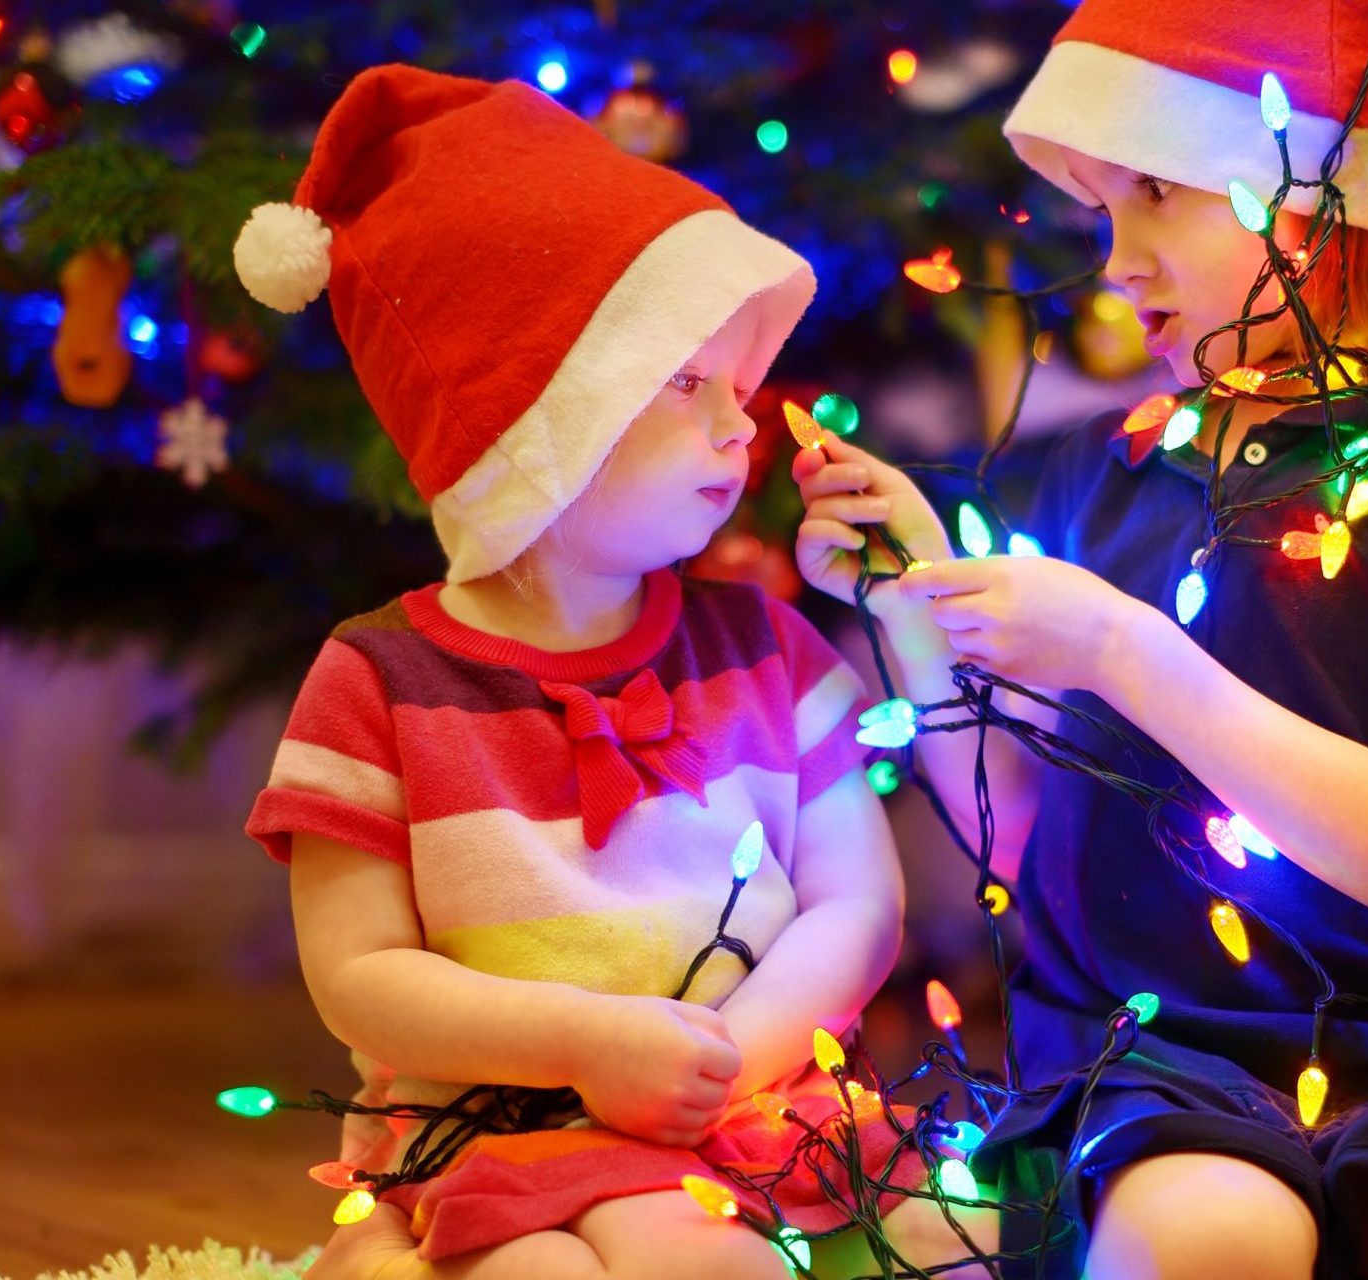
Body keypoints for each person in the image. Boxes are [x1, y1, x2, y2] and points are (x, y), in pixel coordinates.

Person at [791, 3, 1368, 1277]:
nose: (1117, 261)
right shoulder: (1093, 474)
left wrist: (1126, 648)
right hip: (1152, 1049)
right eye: (1101, 213)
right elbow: (1009, 819)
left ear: (1323, 198)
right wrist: (912, 594)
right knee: (1216, 1237)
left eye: (1160, 197)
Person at [236, 66, 934, 1280]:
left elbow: (856, 901)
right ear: (529, 426)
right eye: (678, 382)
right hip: (500, 1112)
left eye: (740, 383)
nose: (740, 425)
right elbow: (358, 975)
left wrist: (731, 1053)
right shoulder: (379, 680)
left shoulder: (769, 649)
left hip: (748, 1097)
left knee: (915, 1241)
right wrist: (582, 1044)